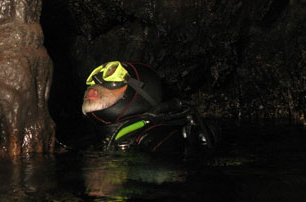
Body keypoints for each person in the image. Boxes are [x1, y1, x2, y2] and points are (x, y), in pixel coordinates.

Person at [82, 61, 219, 153]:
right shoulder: (92, 139)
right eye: (92, 85)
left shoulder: (161, 138)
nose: (93, 89)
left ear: (140, 90)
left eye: (113, 82)